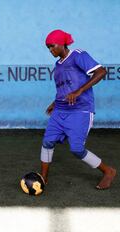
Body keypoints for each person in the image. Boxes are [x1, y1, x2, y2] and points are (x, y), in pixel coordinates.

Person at [40, 29, 116, 190]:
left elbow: (101, 71)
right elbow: (65, 88)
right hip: (60, 110)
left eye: (52, 46)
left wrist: (79, 91)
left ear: (61, 44)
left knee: (76, 149)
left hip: (80, 110)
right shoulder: (57, 65)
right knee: (47, 142)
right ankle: (43, 178)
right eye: (48, 48)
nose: (50, 50)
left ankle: (108, 171)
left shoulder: (78, 55)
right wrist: (54, 102)